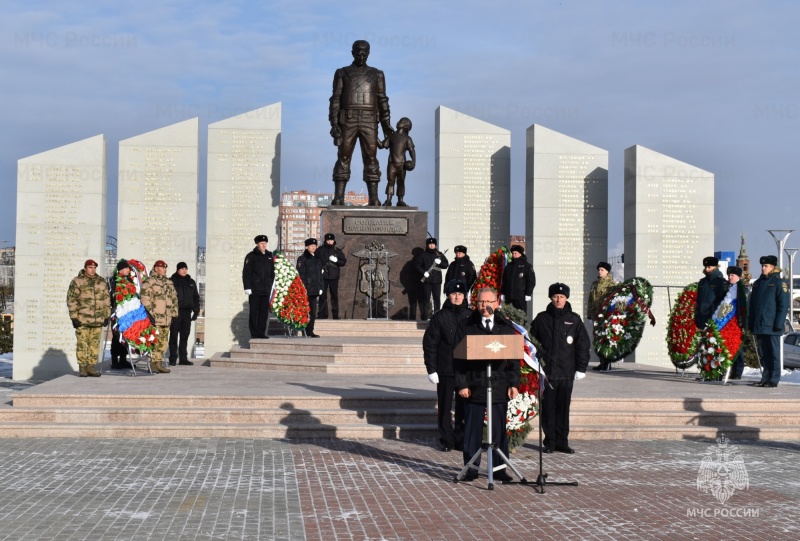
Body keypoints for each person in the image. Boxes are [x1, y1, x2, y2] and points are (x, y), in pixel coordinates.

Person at [454, 288, 520, 481]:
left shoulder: (505, 327)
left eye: (489, 302)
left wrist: (514, 384)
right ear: (476, 303)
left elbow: (514, 360)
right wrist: (462, 385)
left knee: (498, 429)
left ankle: (500, 469)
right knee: (472, 430)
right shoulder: (467, 325)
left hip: (498, 385)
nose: (485, 306)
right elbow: (458, 360)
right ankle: (471, 468)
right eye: (481, 302)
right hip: (474, 385)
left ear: (496, 303)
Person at [329, 39, 393, 206]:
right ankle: (339, 197)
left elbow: (382, 100)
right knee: (343, 157)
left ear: (369, 53)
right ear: (352, 52)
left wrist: (386, 125)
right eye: (358, 53)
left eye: (365, 53)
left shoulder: (377, 74)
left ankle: (373, 198)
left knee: (371, 159)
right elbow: (335, 99)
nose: (361, 56)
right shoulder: (342, 73)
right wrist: (334, 123)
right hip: (347, 120)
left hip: (369, 119)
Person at [529, 283, 590, 454]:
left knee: (563, 408)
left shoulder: (574, 319)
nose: (558, 299)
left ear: (566, 298)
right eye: (555, 296)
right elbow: (531, 343)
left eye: (562, 297)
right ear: (550, 298)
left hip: (566, 372)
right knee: (548, 408)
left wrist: (581, 368)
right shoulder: (541, 319)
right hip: (547, 373)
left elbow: (583, 345)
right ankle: (550, 441)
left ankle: (562, 441)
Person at [423, 280, 472, 452]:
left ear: (465, 295)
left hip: (466, 371)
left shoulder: (471, 316)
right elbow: (430, 344)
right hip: (446, 369)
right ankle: (446, 439)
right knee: (444, 406)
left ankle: (460, 439)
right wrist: (431, 369)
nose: (457, 297)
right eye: (453, 294)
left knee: (463, 407)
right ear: (448, 295)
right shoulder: (439, 317)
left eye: (460, 294)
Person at [748, 255, 790, 388]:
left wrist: (779, 323)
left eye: (766, 266)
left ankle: (774, 379)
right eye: (762, 266)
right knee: (763, 353)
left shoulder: (779, 283)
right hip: (760, 324)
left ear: (773, 267)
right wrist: (751, 322)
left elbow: (783, 306)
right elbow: (752, 305)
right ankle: (765, 377)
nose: (763, 268)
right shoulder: (758, 283)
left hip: (772, 326)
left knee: (774, 354)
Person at [67, 259, 111, 377]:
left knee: (94, 344)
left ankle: (91, 367)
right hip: (83, 319)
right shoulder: (78, 281)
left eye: (94, 268)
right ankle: (82, 367)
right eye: (90, 267)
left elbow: (106, 300)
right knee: (82, 344)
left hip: (97, 320)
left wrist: (107, 315)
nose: (93, 270)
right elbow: (72, 300)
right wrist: (73, 317)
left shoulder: (101, 282)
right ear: (85, 268)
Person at [140, 260, 179, 374]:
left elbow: (174, 299)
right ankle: (152, 363)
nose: (164, 270)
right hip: (155, 318)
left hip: (166, 318)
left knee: (163, 342)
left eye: (165, 268)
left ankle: (159, 363)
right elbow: (145, 299)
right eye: (162, 268)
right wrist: (151, 313)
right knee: (154, 341)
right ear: (156, 268)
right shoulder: (149, 282)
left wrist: (174, 313)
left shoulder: (168, 282)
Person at [242, 235, 275, 340]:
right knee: (254, 312)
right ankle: (254, 333)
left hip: (266, 289)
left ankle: (261, 333)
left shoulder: (269, 256)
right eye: (261, 243)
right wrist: (247, 287)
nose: (264, 245)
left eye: (265, 243)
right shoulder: (251, 256)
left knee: (263, 313)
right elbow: (246, 273)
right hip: (255, 289)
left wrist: (270, 284)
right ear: (257, 244)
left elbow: (272, 272)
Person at [168, 262, 200, 366]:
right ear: (177, 269)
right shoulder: (172, 281)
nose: (184, 270)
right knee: (173, 336)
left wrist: (196, 310)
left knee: (184, 336)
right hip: (175, 313)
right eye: (182, 269)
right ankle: (172, 358)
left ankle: (183, 358)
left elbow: (196, 297)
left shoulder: (191, 282)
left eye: (185, 268)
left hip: (187, 313)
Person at [378, 117, 415, 207]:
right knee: (390, 182)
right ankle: (388, 200)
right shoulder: (392, 136)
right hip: (392, 164)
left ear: (406, 126)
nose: (399, 122)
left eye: (402, 121)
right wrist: (374, 134)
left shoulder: (407, 139)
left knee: (401, 182)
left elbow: (412, 150)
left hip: (402, 165)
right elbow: (381, 145)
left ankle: (400, 200)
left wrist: (414, 161)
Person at [587, 261, 617, 371]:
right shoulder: (594, 284)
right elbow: (590, 300)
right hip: (596, 315)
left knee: (606, 339)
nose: (599, 272)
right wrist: (589, 315)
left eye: (602, 270)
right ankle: (601, 362)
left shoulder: (612, 284)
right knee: (598, 340)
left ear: (607, 271)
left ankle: (607, 362)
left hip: (606, 316)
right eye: (599, 270)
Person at [108, 259, 134, 370]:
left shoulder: (130, 280)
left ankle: (123, 359)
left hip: (127, 312)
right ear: (122, 269)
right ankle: (114, 360)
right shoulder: (113, 281)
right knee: (116, 336)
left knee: (126, 335)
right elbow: (111, 295)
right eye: (127, 268)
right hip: (117, 311)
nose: (129, 270)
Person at [414, 237, 449, 320]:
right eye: (430, 244)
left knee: (437, 299)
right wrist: (423, 272)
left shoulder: (439, 254)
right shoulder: (423, 255)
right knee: (426, 299)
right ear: (427, 245)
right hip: (427, 280)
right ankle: (425, 316)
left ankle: (437, 316)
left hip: (437, 280)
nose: (431, 245)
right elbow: (417, 265)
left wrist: (440, 262)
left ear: (435, 245)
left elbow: (446, 265)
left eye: (433, 244)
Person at [297, 238, 324, 338]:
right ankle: (304, 329)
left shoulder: (317, 258)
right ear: (307, 246)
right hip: (306, 289)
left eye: (315, 246)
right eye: (311, 246)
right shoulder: (303, 258)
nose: (313, 247)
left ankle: (310, 331)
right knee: (305, 311)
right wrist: (304, 287)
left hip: (315, 289)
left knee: (312, 312)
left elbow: (320, 275)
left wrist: (321, 287)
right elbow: (301, 275)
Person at [317, 233, 347, 320]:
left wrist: (336, 260)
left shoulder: (337, 250)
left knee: (334, 296)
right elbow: (316, 261)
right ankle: (322, 314)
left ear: (334, 241)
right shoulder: (320, 250)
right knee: (322, 296)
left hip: (334, 276)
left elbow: (343, 262)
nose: (330, 242)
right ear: (325, 240)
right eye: (328, 240)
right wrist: (319, 270)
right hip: (323, 276)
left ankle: (335, 315)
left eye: (331, 240)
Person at [695, 256, 728, 329]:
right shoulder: (702, 282)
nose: (707, 269)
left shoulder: (721, 282)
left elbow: (723, 301)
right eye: (706, 267)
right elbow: (699, 300)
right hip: (701, 317)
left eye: (709, 267)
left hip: (713, 316)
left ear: (715, 267)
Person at [726, 265, 748, 380]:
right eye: (729, 275)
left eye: (732, 275)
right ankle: (729, 371)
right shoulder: (727, 288)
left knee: (738, 349)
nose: (730, 277)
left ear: (738, 277)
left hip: (738, 322)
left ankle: (737, 372)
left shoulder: (742, 289)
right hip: (728, 323)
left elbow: (744, 306)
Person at [501, 245, 535, 311]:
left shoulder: (526, 266)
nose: (514, 255)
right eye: (513, 253)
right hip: (509, 296)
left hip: (520, 297)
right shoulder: (508, 266)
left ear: (520, 254)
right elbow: (504, 281)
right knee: (508, 316)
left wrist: (528, 293)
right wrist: (503, 293)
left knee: (521, 316)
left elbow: (531, 281)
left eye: (515, 253)